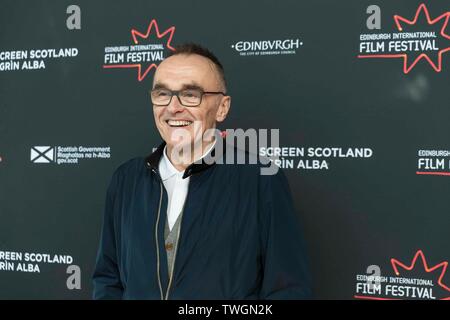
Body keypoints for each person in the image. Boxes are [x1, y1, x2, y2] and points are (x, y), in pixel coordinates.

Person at [92, 43, 312, 299]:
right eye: (162, 94)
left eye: (191, 94)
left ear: (222, 107)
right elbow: (108, 278)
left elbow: (288, 290)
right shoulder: (126, 179)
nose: (173, 107)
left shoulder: (261, 180)